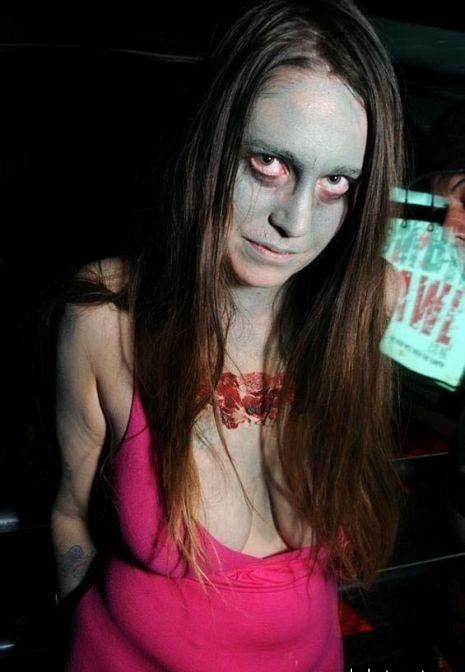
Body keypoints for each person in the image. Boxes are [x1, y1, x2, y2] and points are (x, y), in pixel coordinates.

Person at [49, 0, 405, 669]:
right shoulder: (108, 316)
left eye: (335, 181)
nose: (296, 223)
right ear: (210, 140)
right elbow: (71, 512)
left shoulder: (362, 310)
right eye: (268, 161)